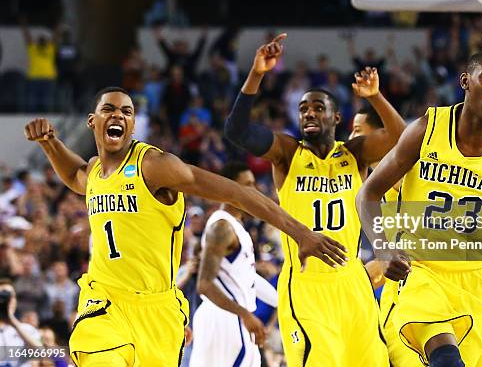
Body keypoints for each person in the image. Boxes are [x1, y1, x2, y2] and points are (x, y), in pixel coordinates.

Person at [24, 87, 347, 367]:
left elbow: (238, 193)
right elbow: (74, 176)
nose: (118, 116)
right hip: (104, 299)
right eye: (108, 109)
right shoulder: (94, 171)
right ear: (93, 121)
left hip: (158, 309)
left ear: (134, 123)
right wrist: (50, 143)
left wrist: (300, 232)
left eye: (126, 111)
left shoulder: (155, 166)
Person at [357, 49, 482, 367]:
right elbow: (367, 193)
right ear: (466, 81)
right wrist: (382, 248)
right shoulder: (426, 130)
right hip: (424, 271)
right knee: (447, 359)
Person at [224, 34, 406, 367]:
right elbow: (237, 131)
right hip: (307, 285)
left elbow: (402, 138)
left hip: (352, 282)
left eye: (318, 108)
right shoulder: (287, 153)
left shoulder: (355, 153)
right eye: (303, 108)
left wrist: (376, 96)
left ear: (336, 119)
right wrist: (257, 74)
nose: (309, 113)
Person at [349, 107, 423, 367]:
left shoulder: (404, 177)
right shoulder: (366, 181)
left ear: (381, 135)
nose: (351, 137)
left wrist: (375, 97)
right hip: (392, 299)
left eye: (358, 130)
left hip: (418, 303)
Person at [190, 162, 278, 367]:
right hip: (225, 320)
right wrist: (244, 314)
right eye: (247, 184)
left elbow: (245, 278)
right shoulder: (222, 227)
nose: (254, 191)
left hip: (228, 318)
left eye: (255, 184)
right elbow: (204, 285)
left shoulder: (235, 227)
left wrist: (281, 300)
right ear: (228, 188)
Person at [0, 279, 43, 366]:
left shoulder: (27, 329)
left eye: (10, 297)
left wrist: (13, 323)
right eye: (2, 297)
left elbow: (40, 352)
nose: (7, 301)